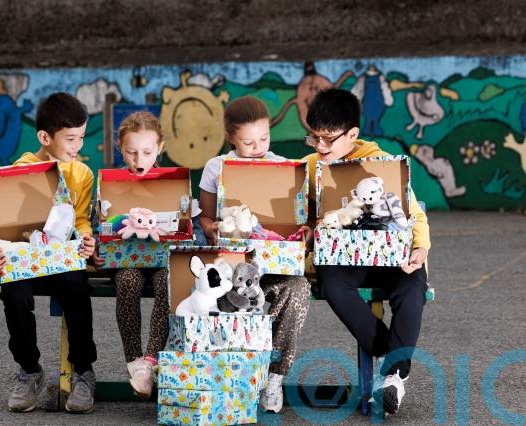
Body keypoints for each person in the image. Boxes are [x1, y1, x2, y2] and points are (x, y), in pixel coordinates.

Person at [303, 88, 430, 415]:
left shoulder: (383, 163)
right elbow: (297, 217)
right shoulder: (308, 168)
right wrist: (311, 227)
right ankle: (391, 355)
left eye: (328, 139)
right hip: (343, 259)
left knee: (413, 284)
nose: (319, 146)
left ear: (352, 134)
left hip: (388, 256)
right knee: (331, 283)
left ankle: (393, 377)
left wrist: (420, 248)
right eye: (314, 137)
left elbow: (414, 214)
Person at [0, 92, 97, 414]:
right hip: (26, 259)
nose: (77, 146)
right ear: (44, 137)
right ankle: (29, 370)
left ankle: (83, 372)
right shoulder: (21, 170)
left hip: (62, 260)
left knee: (76, 287)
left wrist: (86, 238)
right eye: (70, 139)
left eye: (81, 137)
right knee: (13, 292)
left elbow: (81, 219)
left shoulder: (83, 174)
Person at [198, 96, 312, 413]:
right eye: (248, 142)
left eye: (264, 138)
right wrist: (212, 228)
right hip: (231, 267)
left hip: (274, 264)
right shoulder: (216, 167)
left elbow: (293, 220)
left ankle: (274, 377)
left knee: (299, 289)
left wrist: (300, 233)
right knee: (232, 298)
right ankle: (235, 377)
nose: (258, 147)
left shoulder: (282, 166)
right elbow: (204, 218)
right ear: (231, 139)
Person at [92, 111, 170, 400]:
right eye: (131, 152)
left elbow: (190, 228)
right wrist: (96, 247)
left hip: (162, 261)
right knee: (128, 281)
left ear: (160, 148)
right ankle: (135, 362)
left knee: (168, 282)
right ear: (120, 149)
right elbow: (96, 226)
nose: (139, 160)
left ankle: (150, 361)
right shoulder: (110, 184)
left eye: (147, 152)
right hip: (123, 262)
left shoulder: (172, 183)